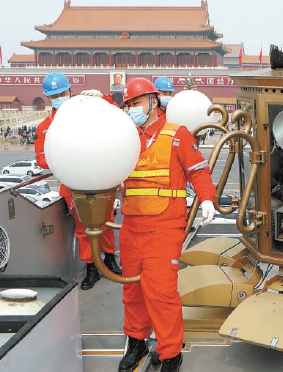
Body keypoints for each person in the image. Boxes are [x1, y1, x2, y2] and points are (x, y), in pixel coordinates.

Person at [118, 78, 217, 372]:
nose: (132, 109)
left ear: (153, 101)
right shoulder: (124, 137)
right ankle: (136, 341)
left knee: (161, 292)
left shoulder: (177, 135)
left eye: (135, 103)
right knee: (132, 291)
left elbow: (198, 171)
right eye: (128, 105)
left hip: (164, 227)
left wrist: (207, 199)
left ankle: (170, 353)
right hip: (131, 226)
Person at [34, 72, 122, 290]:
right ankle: (91, 267)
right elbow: (42, 160)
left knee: (107, 223)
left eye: (63, 93)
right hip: (72, 186)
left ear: (70, 90)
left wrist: (102, 98)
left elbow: (115, 115)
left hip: (100, 180)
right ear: (48, 98)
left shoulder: (86, 113)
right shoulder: (45, 127)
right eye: (54, 95)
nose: (60, 97)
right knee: (83, 230)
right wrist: (68, 158)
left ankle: (110, 260)